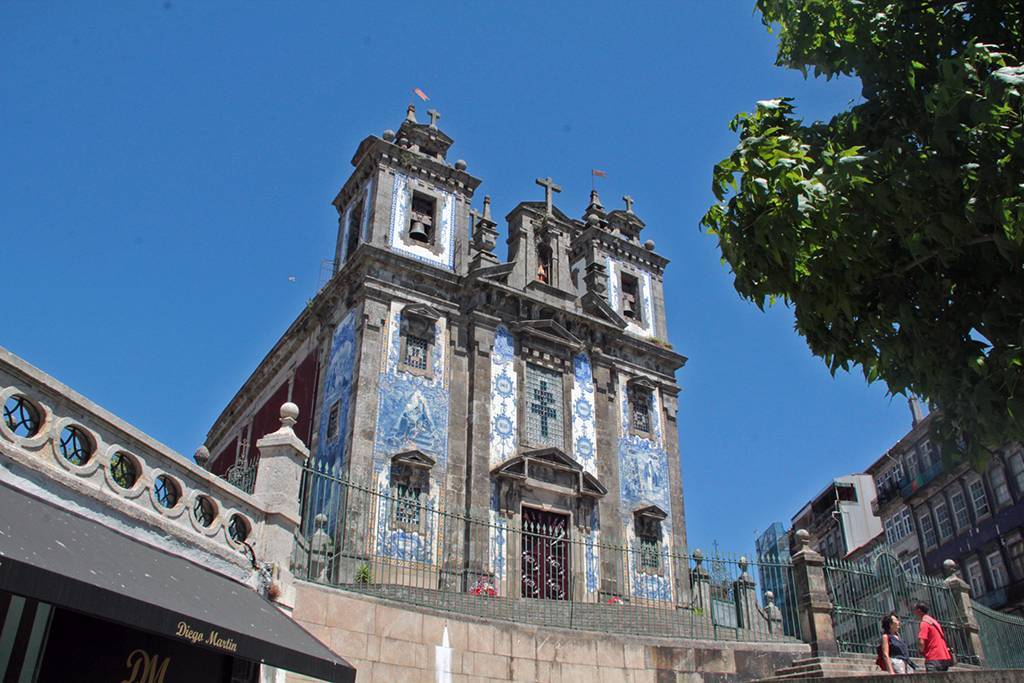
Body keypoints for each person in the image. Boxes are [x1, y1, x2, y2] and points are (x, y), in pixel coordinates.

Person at [914, 602, 953, 672]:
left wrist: (920, 651)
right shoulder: (934, 622)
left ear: (919, 611)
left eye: (915, 611)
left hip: (933, 657)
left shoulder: (924, 623)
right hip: (944, 657)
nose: (914, 613)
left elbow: (921, 642)